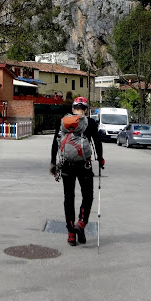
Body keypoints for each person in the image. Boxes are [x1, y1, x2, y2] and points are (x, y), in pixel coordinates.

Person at [50, 96, 104, 246]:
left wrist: (53, 163)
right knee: (88, 196)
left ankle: (71, 234)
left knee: (69, 197)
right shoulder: (90, 122)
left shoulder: (63, 122)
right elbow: (97, 143)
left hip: (66, 165)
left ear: (73, 108)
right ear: (85, 109)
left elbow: (55, 142)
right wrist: (101, 159)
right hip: (84, 165)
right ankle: (81, 223)